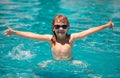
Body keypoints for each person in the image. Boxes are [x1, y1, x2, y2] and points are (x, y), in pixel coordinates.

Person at [4, 15, 114, 60]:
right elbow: (33, 35)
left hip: (71, 62)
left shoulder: (72, 38)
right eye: (57, 26)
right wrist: (14, 32)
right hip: (53, 62)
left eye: (64, 26)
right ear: (53, 28)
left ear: (68, 28)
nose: (60, 28)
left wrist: (106, 25)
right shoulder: (50, 39)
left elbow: (89, 31)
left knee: (89, 72)